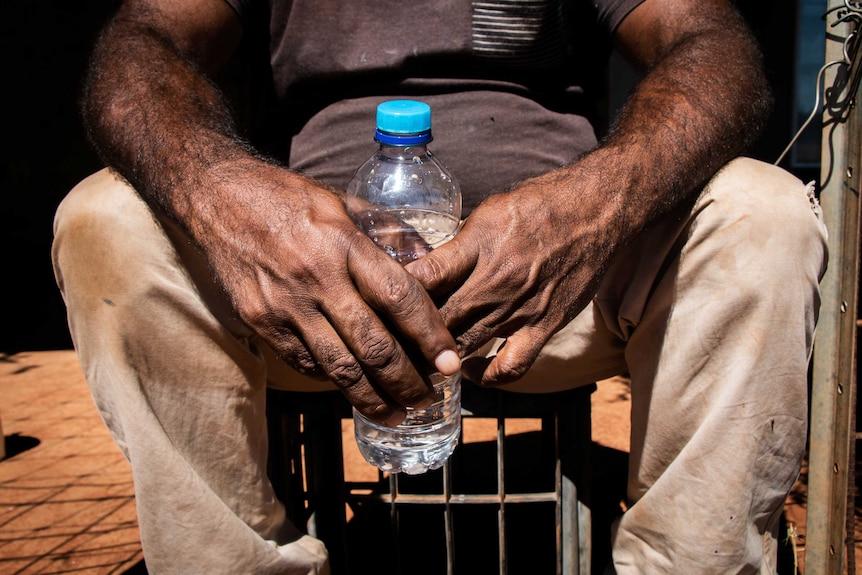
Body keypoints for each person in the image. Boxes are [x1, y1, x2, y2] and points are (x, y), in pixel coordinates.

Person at [51, 0, 827, 572]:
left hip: (565, 289)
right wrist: (226, 195)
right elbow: (138, 46)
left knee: (765, 212)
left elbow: (711, 43)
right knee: (102, 218)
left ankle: (688, 561)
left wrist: (592, 208)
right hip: (312, 301)